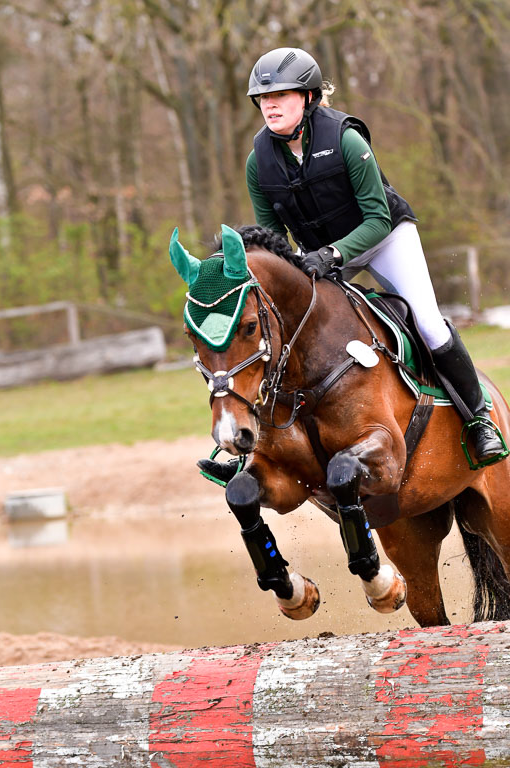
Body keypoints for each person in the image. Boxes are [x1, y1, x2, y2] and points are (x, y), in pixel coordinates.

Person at [199, 47, 505, 483]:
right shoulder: (258, 162)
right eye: (263, 98)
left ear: (307, 98)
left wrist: (333, 255)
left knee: (428, 323)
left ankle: (479, 420)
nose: (270, 105)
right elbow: (271, 241)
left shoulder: (345, 139)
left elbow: (377, 218)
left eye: (281, 95)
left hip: (384, 238)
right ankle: (249, 445)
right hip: (319, 255)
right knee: (279, 332)